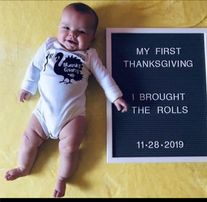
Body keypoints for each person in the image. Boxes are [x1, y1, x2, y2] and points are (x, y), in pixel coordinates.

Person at [4, 2, 128, 198]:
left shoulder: (89, 55)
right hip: (43, 112)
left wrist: (115, 96)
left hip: (72, 116)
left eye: (81, 32)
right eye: (66, 28)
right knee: (28, 139)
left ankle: (62, 178)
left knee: (70, 149)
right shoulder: (49, 46)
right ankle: (23, 166)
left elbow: (104, 76)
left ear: (92, 38)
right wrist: (28, 86)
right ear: (58, 28)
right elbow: (34, 66)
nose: (72, 35)